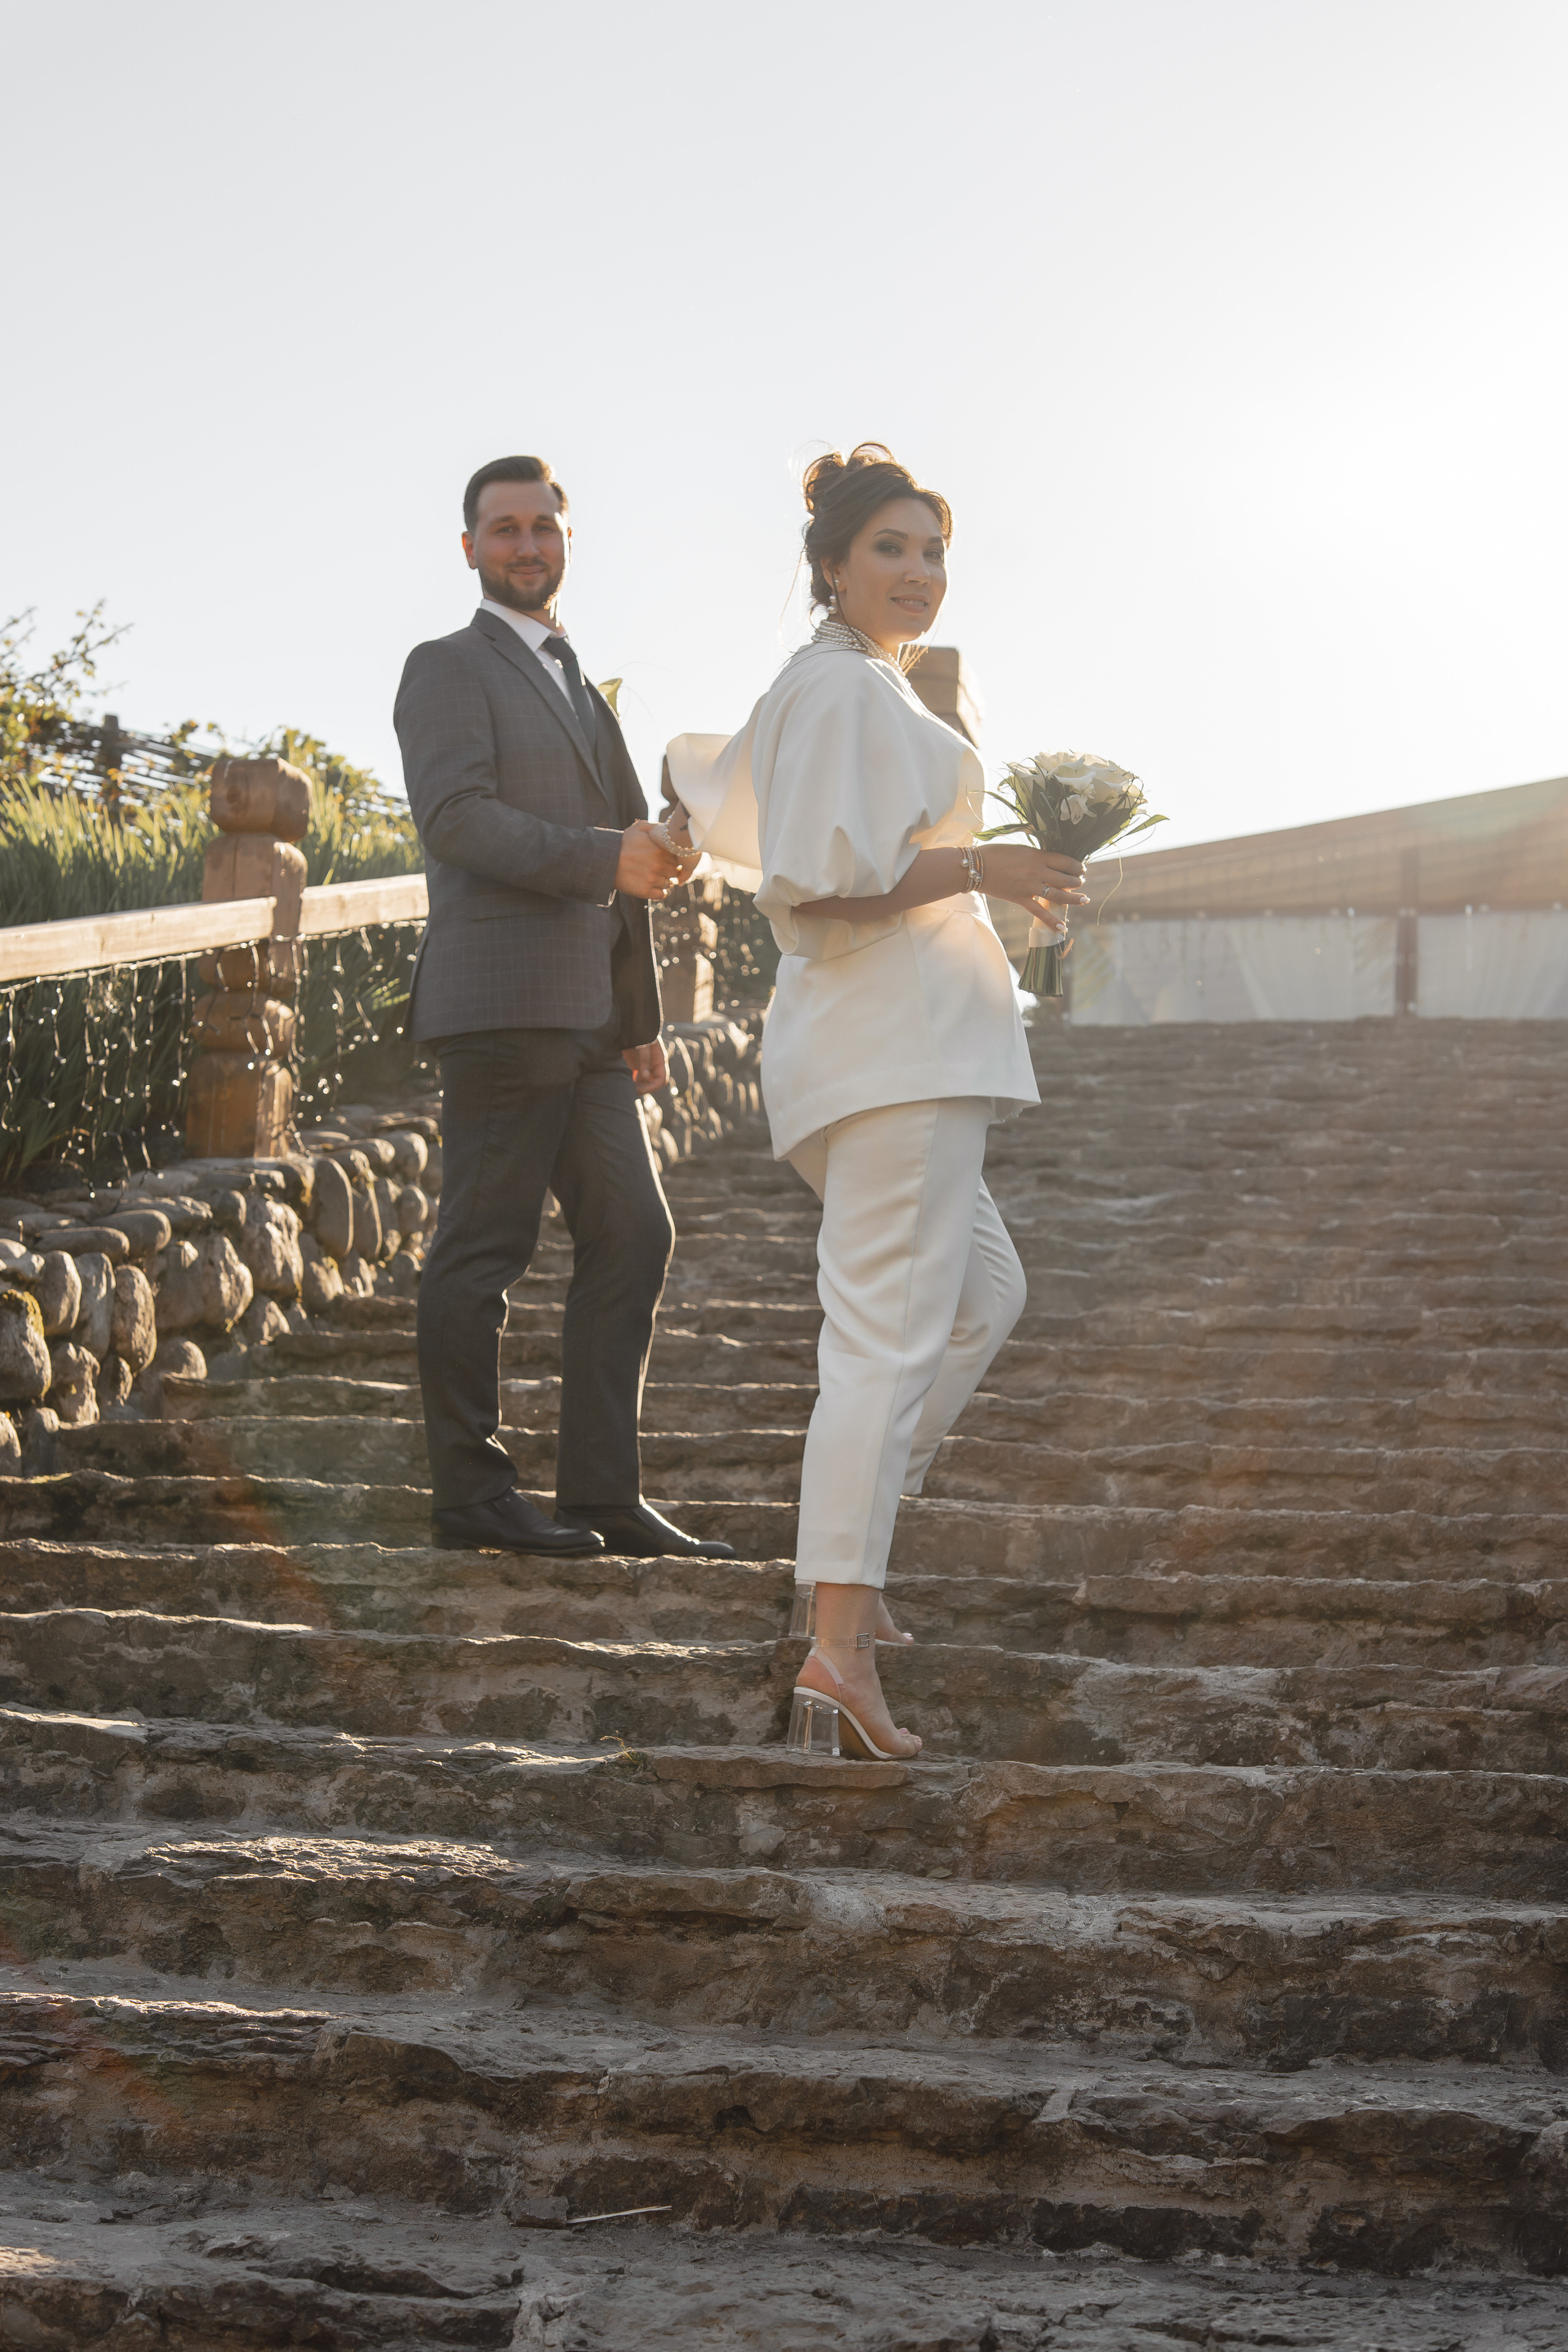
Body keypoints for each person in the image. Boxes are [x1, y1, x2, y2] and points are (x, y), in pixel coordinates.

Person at [665, 444, 1087, 1755]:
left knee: (983, 1295)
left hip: (897, 1048)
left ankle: (860, 1551)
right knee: (885, 1339)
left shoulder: (844, 688)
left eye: (930, 551)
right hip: (895, 1054)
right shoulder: (843, 688)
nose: (915, 573)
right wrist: (985, 864)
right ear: (831, 567)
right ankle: (836, 1647)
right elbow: (824, 884)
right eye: (888, 550)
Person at [394, 453, 735, 1564]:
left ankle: (600, 1493)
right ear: (470, 550)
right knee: (482, 1249)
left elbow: (631, 861)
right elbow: (457, 820)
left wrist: (636, 1016)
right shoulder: (445, 668)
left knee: (636, 1232)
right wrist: (608, 853)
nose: (527, 545)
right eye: (504, 529)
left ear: (568, 540)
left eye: (544, 526)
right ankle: (472, 1498)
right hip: (498, 1007)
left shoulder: (582, 683)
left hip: (590, 1022)